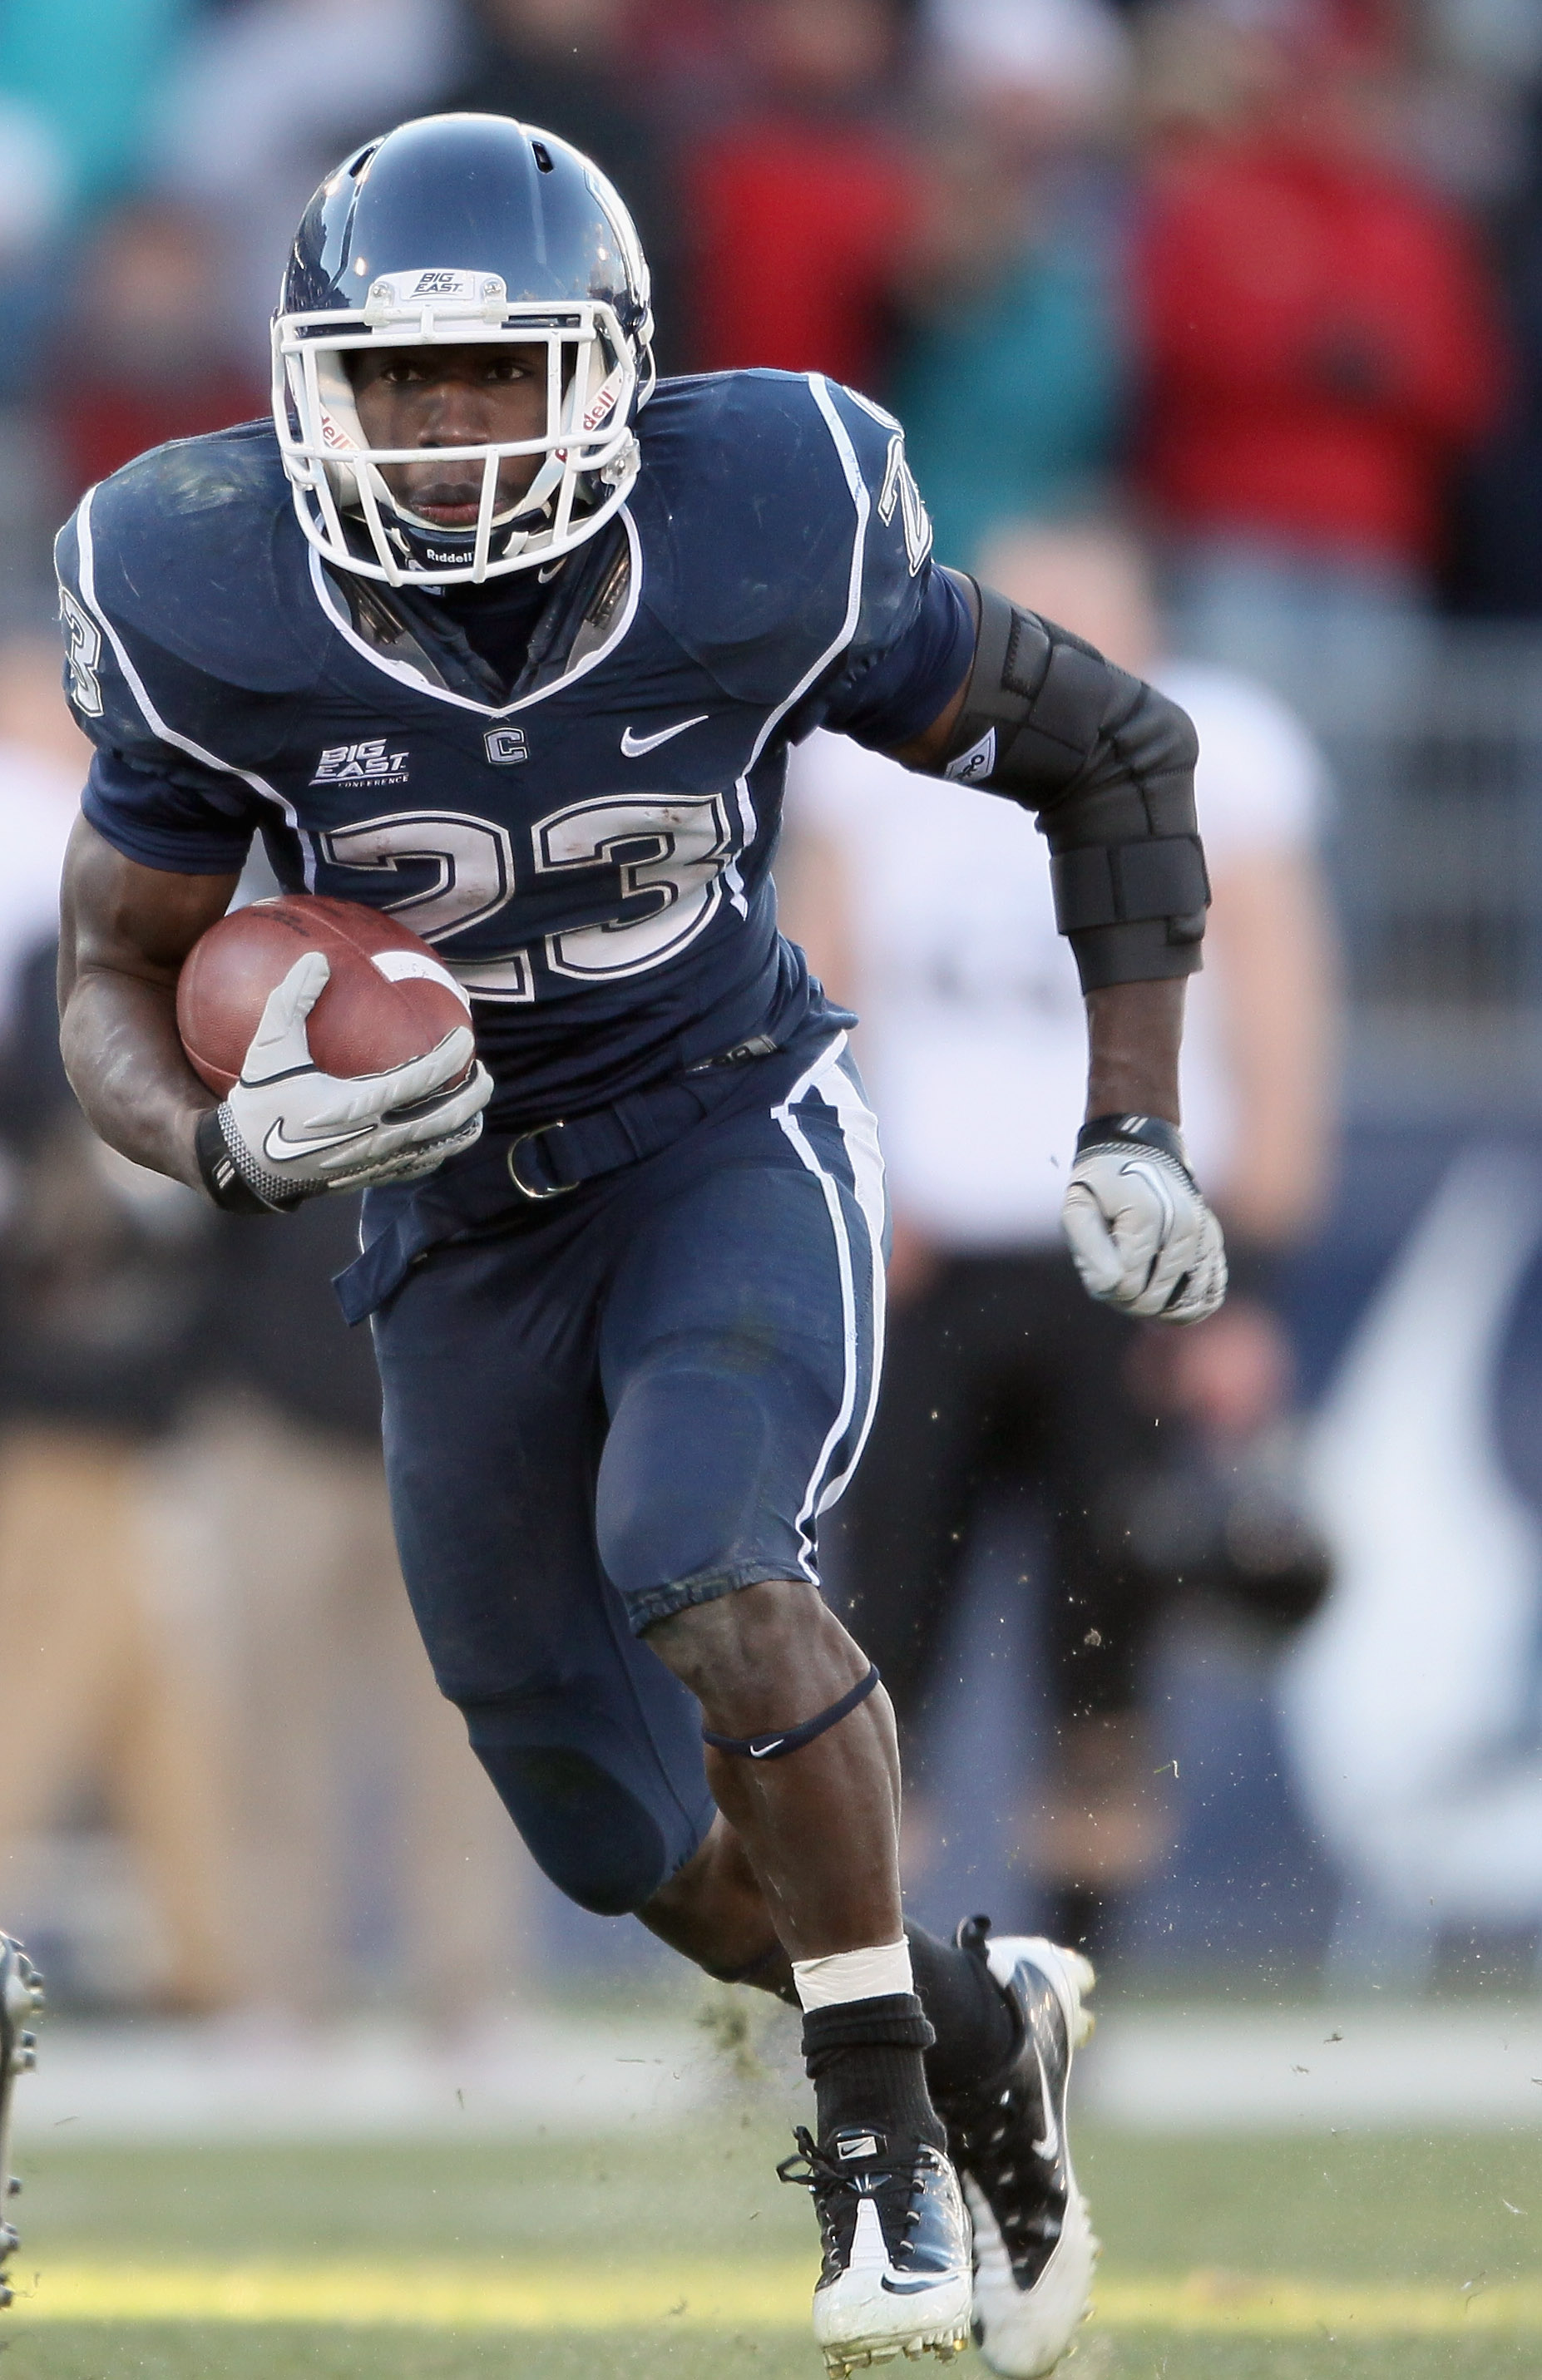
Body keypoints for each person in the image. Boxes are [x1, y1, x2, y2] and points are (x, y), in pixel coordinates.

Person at [49, 112, 1225, 2377]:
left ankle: (877, 2158)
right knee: (607, 1822)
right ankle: (975, 2021)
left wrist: (1135, 1118)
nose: (451, 428)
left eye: (496, 373)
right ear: (312, 388)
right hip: (448, 1230)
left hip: (716, 1137)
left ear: (608, 371)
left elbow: (1109, 743)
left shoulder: (755, 525)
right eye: (401, 384)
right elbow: (118, 963)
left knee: (700, 1540)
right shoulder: (203, 591)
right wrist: (210, 1135)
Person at [784, 517, 1337, 1951]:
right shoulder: (882, 760)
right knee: (876, 1651)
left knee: (1105, 1663)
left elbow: (1279, 1026)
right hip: (936, 1253)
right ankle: (872, 2000)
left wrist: (1245, 1279)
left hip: (1133, 1263)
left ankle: (1075, 1994)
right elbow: (813, 993)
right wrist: (852, 1196)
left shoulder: (1221, 750)